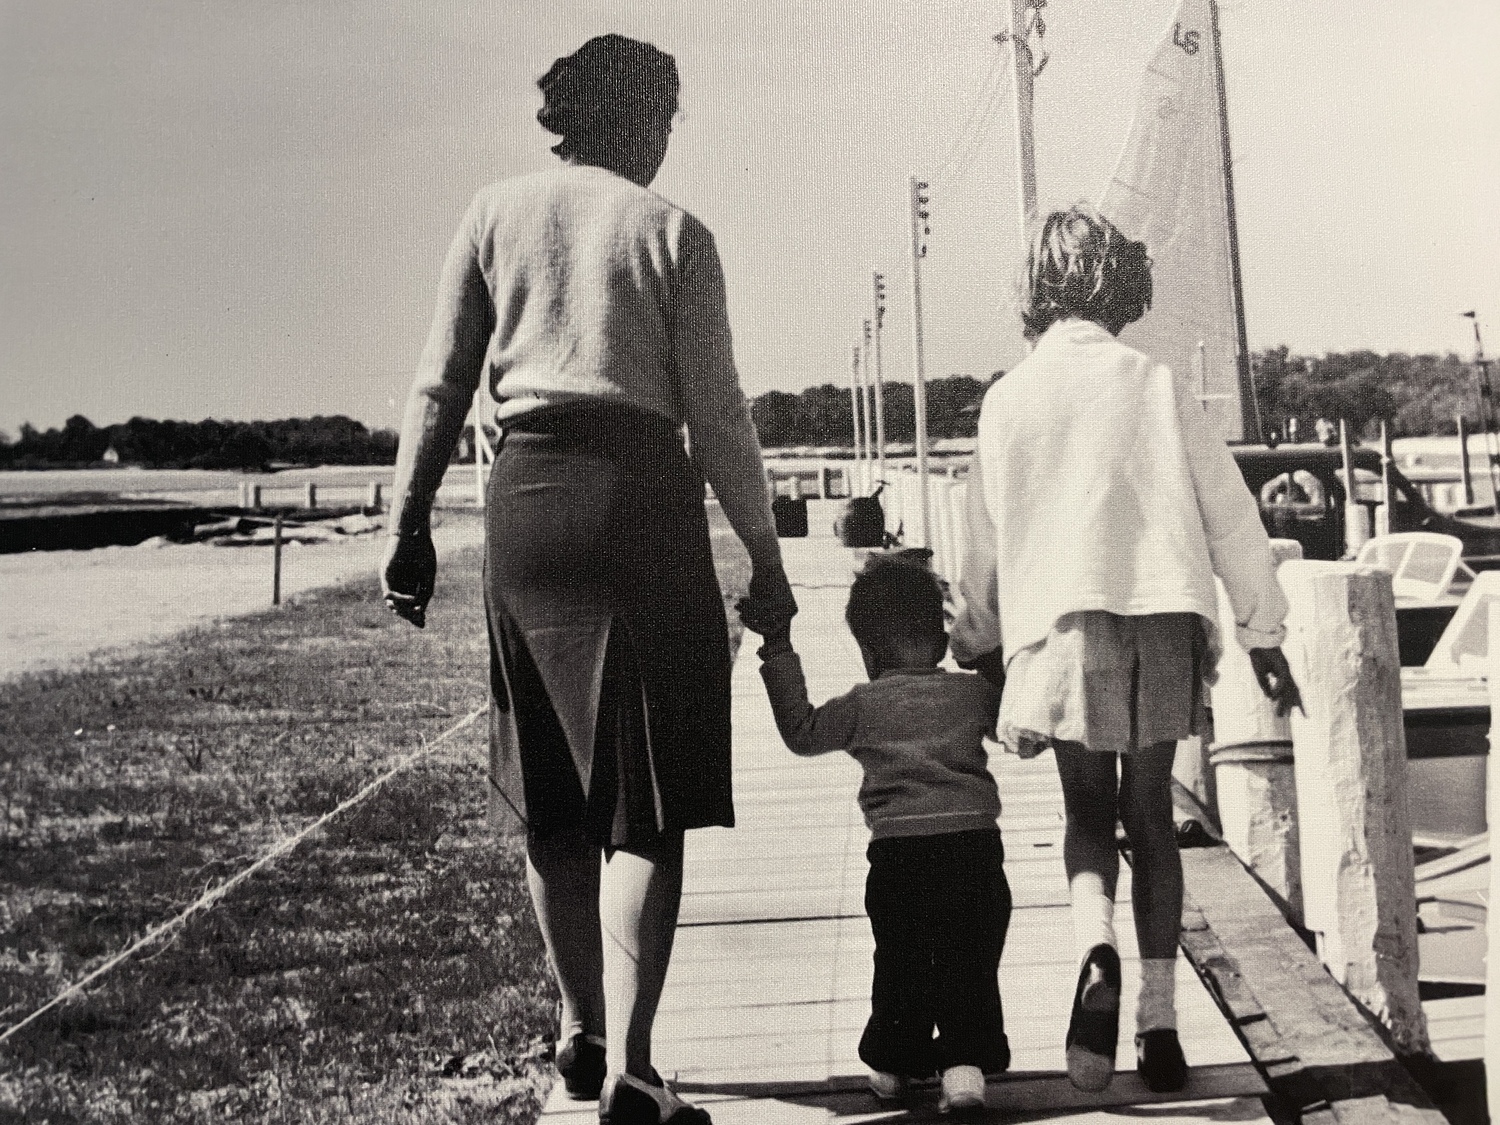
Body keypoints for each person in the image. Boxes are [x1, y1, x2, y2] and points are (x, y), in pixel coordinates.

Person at [381, 34, 796, 1125]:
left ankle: (577, 1031)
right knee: (642, 803)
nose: (668, 140)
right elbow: (720, 419)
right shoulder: (672, 234)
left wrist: (407, 524)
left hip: (522, 503)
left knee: (553, 796)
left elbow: (438, 387)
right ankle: (638, 1071)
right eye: (665, 119)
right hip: (636, 497)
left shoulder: (492, 214)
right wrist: (765, 553)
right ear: (638, 119)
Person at [952, 204, 1300, 1095]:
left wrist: (978, 643)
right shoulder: (1155, 380)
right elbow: (1230, 513)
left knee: (1084, 814)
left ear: (1032, 285)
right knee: (1151, 816)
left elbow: (983, 547)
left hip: (1064, 624)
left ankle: (1094, 946)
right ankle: (1157, 1017)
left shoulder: (1007, 398)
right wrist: (1263, 630)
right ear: (1114, 280)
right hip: (1163, 615)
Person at [740, 555, 1010, 1117]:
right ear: (939, 639)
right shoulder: (973, 694)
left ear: (867, 650)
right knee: (970, 959)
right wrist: (991, 657)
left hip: (900, 855)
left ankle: (893, 1062)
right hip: (975, 850)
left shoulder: (864, 705)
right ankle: (963, 1073)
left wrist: (778, 649)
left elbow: (802, 732)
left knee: (902, 957)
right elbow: (1015, 719)